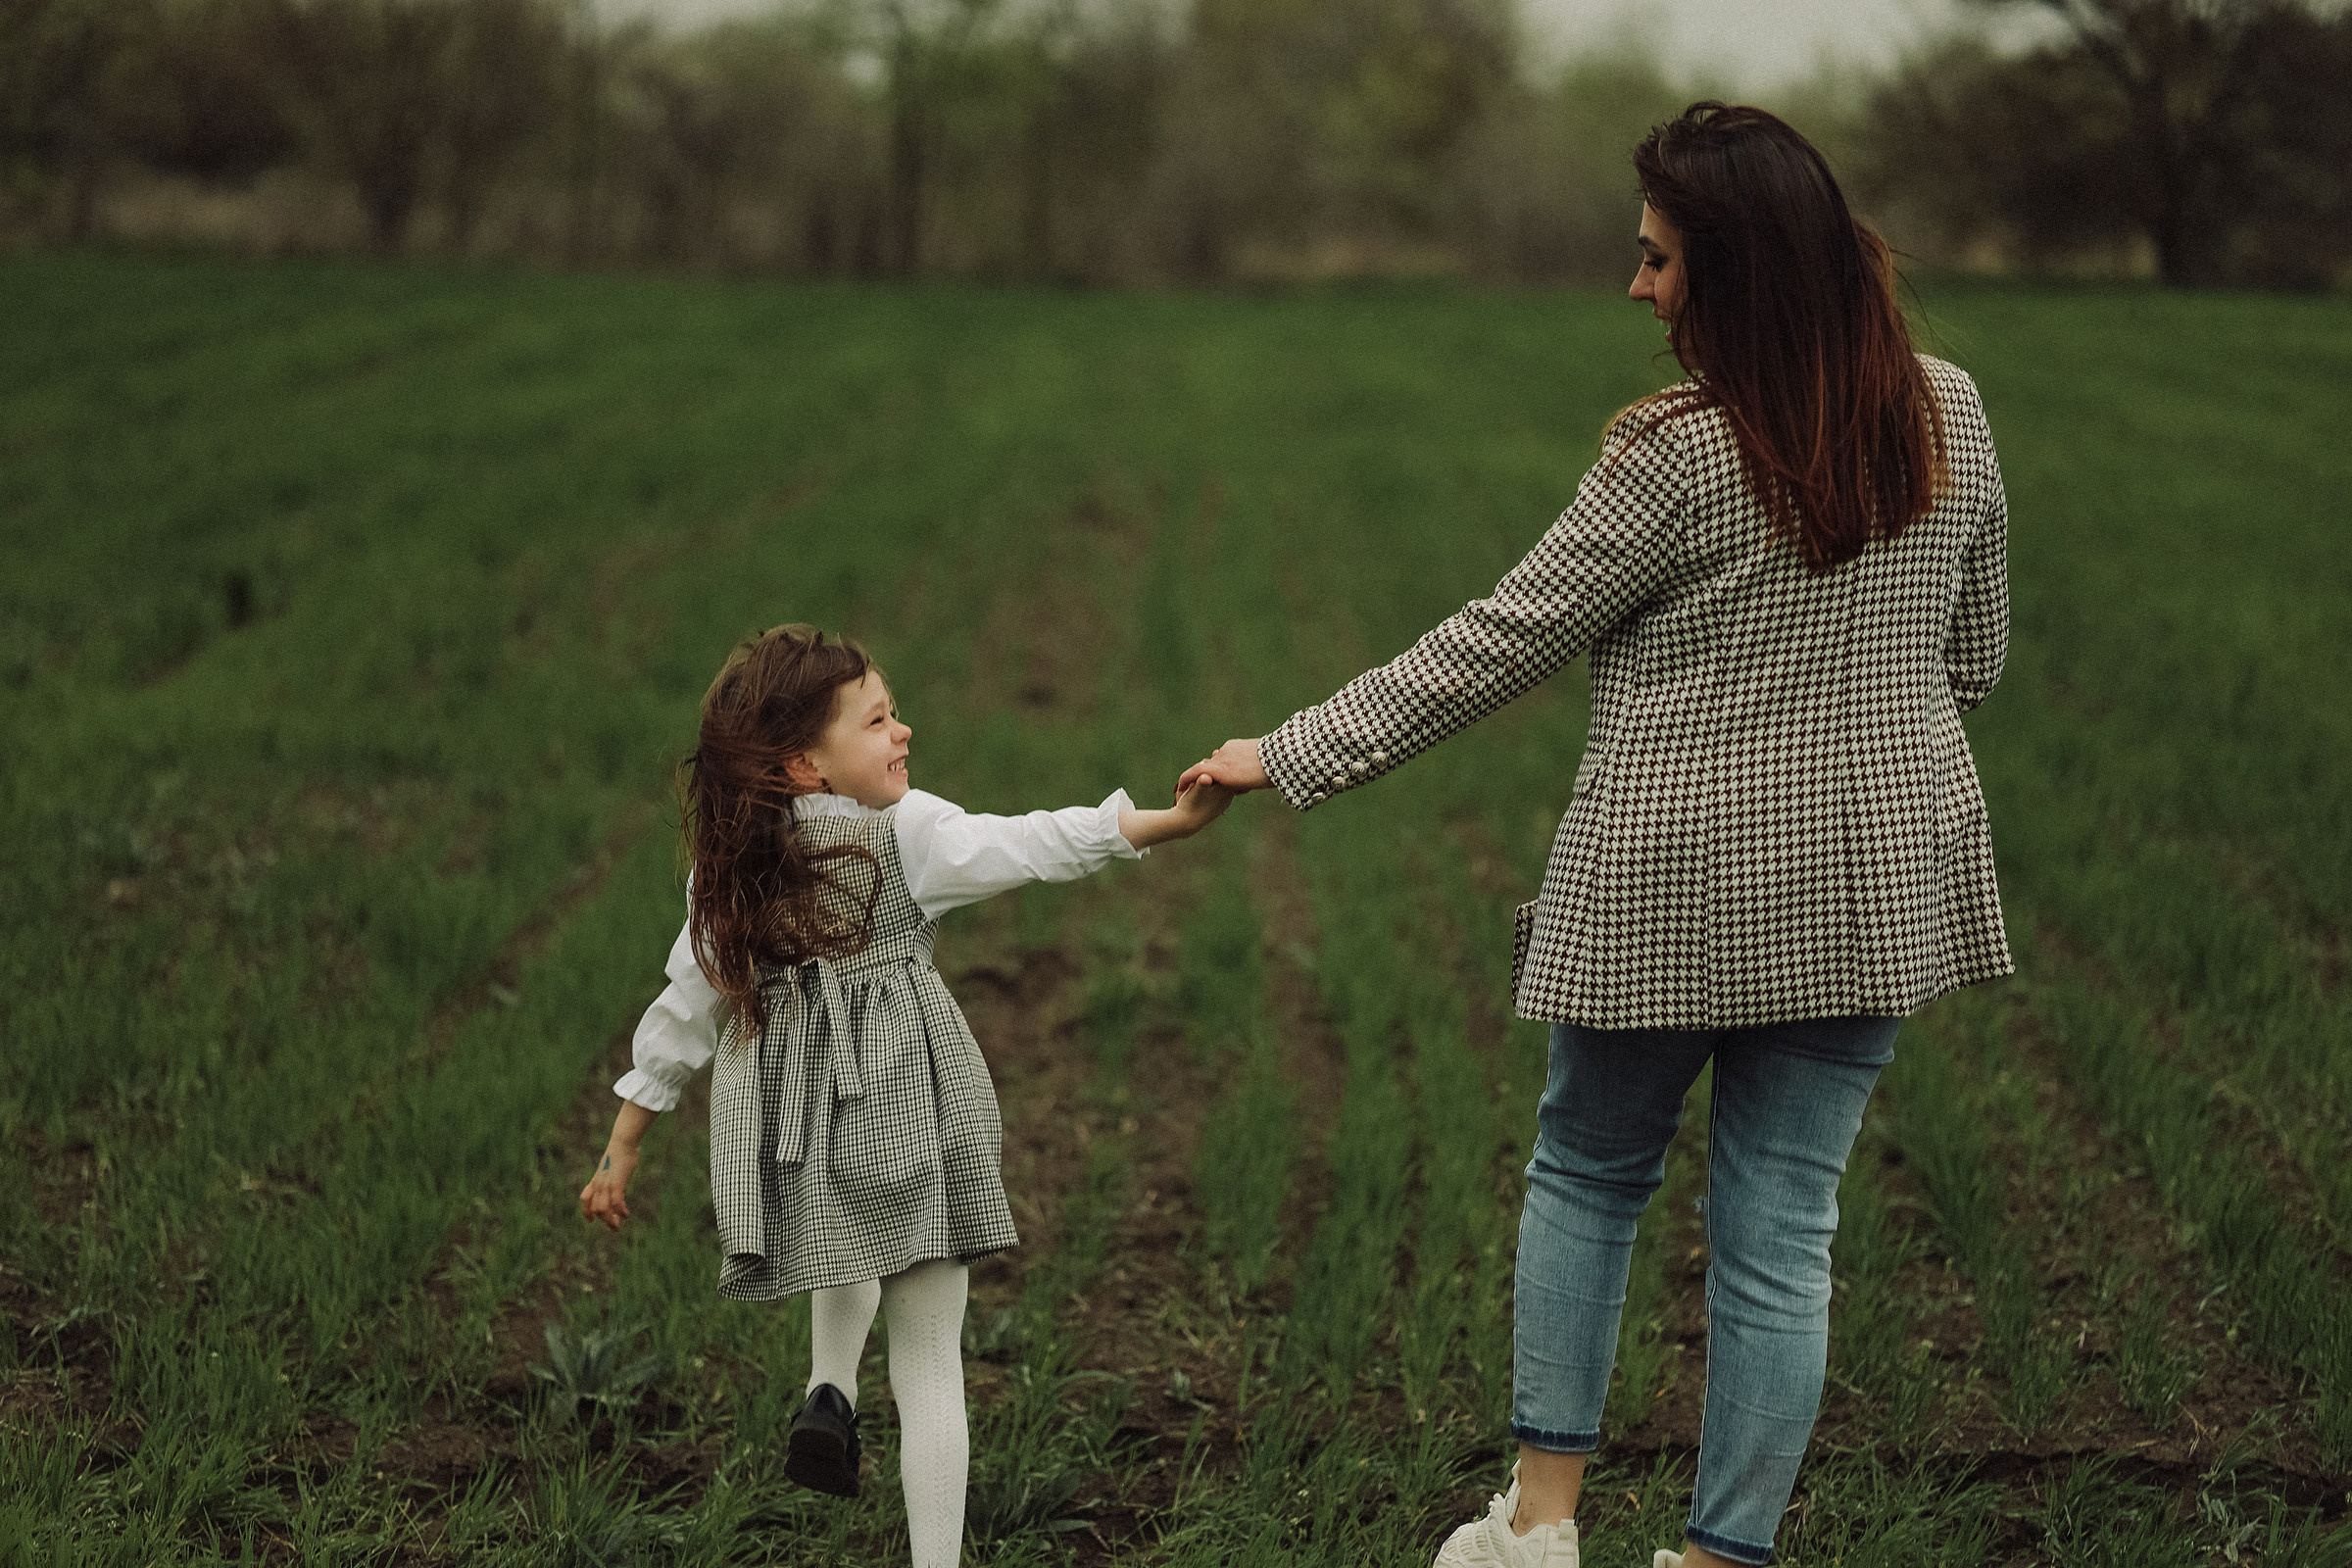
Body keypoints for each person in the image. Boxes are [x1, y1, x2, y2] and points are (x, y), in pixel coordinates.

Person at [1180, 102, 2011, 1568]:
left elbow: (1498, 640)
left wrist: (1285, 751)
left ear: (1734, 272)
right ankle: (1718, 1557)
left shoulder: (1674, 460)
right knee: (1784, 1229)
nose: (1638, 287)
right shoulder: (1950, 410)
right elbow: (1977, 659)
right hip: (1878, 883)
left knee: (1589, 1174)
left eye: (1657, 260)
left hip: (1669, 887)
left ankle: (1542, 1530)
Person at [580, 623, 1231, 1568]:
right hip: (907, 1115)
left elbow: (684, 1007)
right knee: (929, 1364)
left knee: (844, 1236)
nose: (905, 732)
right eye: (879, 720)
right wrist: (1158, 826)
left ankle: (829, 1390)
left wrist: (625, 1140)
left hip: (798, 1133)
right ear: (806, 763)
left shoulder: (728, 876)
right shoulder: (906, 834)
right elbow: (1028, 844)